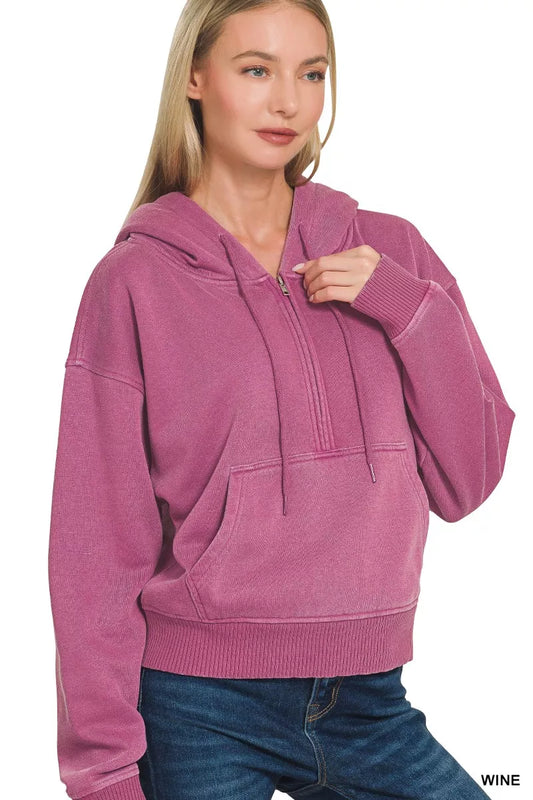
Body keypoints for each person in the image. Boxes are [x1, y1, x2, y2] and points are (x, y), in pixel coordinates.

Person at [47, 1, 516, 799]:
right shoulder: (134, 282)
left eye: (312, 73)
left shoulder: (388, 251)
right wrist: (103, 771)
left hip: (369, 702)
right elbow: (95, 546)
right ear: (195, 78)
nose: (289, 102)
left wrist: (405, 306)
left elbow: (466, 480)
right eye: (256, 69)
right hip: (197, 708)